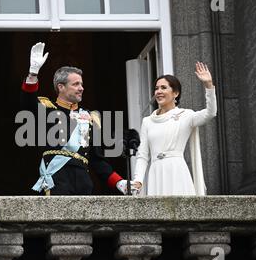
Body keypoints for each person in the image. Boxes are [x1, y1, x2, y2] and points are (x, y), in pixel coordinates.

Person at [20, 42, 130, 195]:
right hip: (56, 181)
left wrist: (118, 181)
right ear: (61, 87)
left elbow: (97, 159)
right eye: (76, 84)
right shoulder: (47, 109)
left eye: (82, 84)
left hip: (83, 183)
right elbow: (27, 102)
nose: (81, 88)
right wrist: (33, 74)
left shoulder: (89, 117)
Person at [131, 62, 217, 196]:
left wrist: (208, 86)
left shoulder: (185, 115)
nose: (158, 91)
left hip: (177, 171)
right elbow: (142, 155)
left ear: (175, 93)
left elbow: (210, 113)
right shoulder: (147, 121)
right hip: (156, 173)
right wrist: (138, 180)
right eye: (156, 88)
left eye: (164, 88)